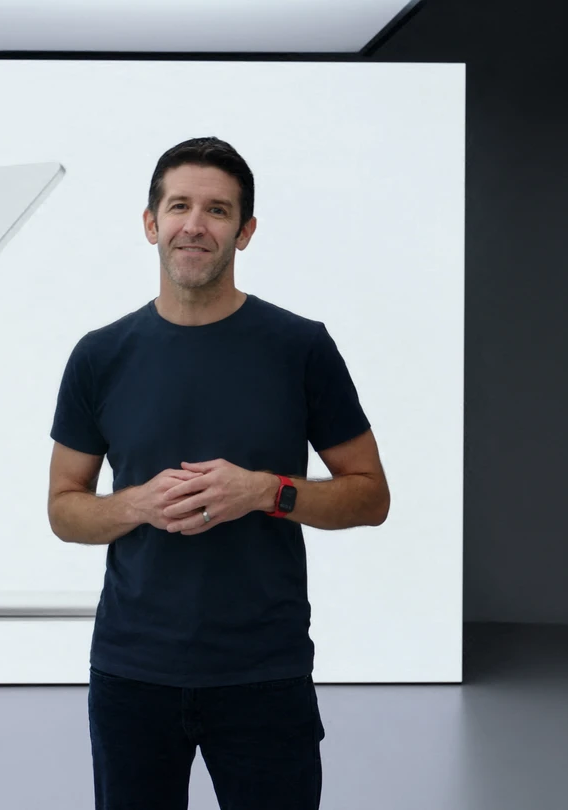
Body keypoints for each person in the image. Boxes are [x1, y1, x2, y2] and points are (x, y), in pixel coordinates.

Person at [46, 136, 391, 810]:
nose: (195, 225)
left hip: (264, 670)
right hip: (132, 672)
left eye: (218, 210)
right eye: (179, 206)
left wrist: (266, 491)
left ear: (246, 231)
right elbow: (63, 507)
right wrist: (137, 504)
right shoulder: (100, 356)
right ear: (151, 224)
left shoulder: (300, 347)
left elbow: (370, 495)